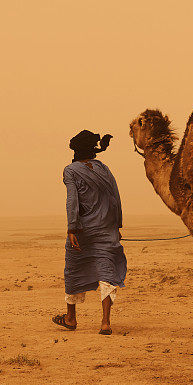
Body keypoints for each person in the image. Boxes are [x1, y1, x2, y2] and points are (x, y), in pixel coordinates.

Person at [52, 130, 127, 335]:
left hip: (83, 230)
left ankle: (71, 318)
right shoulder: (104, 169)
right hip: (107, 229)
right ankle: (105, 322)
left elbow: (72, 202)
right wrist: (117, 226)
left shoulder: (71, 171)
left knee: (73, 269)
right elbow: (115, 198)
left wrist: (72, 228)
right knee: (107, 272)